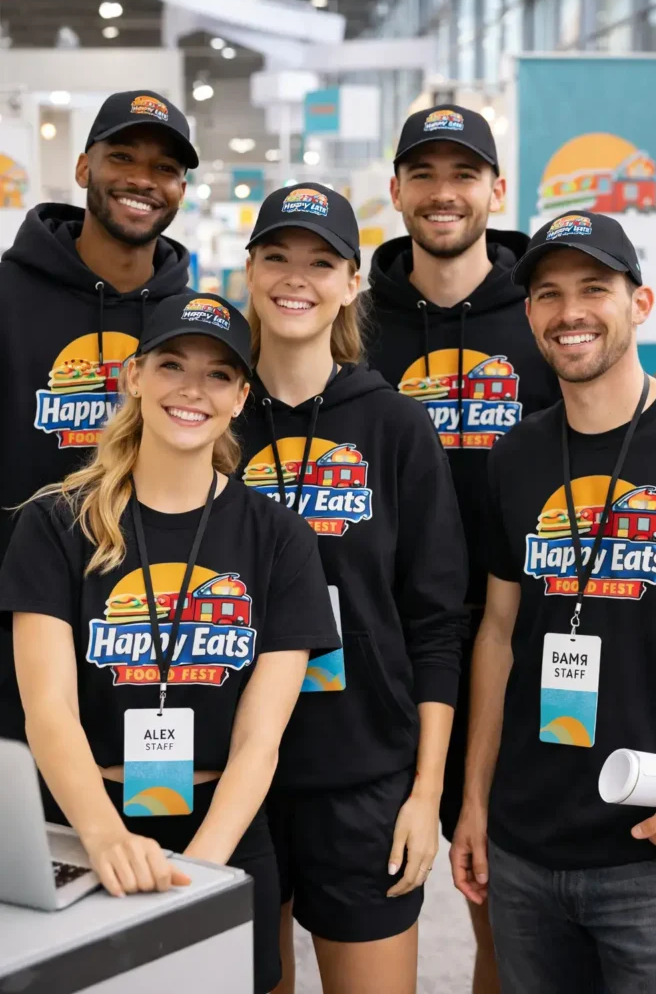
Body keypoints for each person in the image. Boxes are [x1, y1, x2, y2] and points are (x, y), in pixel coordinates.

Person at [0, 293, 341, 994]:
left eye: (218, 374)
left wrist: (204, 874)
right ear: (134, 377)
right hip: (82, 824)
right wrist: (104, 837)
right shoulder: (54, 525)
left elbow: (260, 739)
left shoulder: (281, 539)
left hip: (225, 826)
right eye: (172, 365)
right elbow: (49, 710)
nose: (193, 389)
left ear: (241, 396)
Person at [237, 182, 469, 994]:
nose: (295, 278)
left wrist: (423, 794)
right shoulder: (210, 419)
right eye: (276, 257)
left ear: (349, 282)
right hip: (230, 779)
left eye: (320, 262)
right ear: (249, 271)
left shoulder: (396, 427)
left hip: (362, 777)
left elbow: (436, 623)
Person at [453, 210, 656, 993]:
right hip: (524, 847)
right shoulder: (515, 456)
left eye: (593, 288)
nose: (569, 311)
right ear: (528, 317)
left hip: (655, 852)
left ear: (640, 303)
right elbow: (497, 633)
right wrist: (474, 803)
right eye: (547, 294)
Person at [365, 103, 559, 992]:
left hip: (513, 646)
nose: (444, 195)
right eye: (425, 175)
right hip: (379, 641)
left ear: (495, 189)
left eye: (463, 175)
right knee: (353, 885)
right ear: (397, 189)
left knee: (501, 913)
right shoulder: (356, 325)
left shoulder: (545, 326)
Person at [0, 89, 196, 741]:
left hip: (155, 646)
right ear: (84, 169)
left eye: (165, 168)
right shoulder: (8, 300)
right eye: (123, 157)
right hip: (14, 642)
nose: (143, 180)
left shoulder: (196, 327)